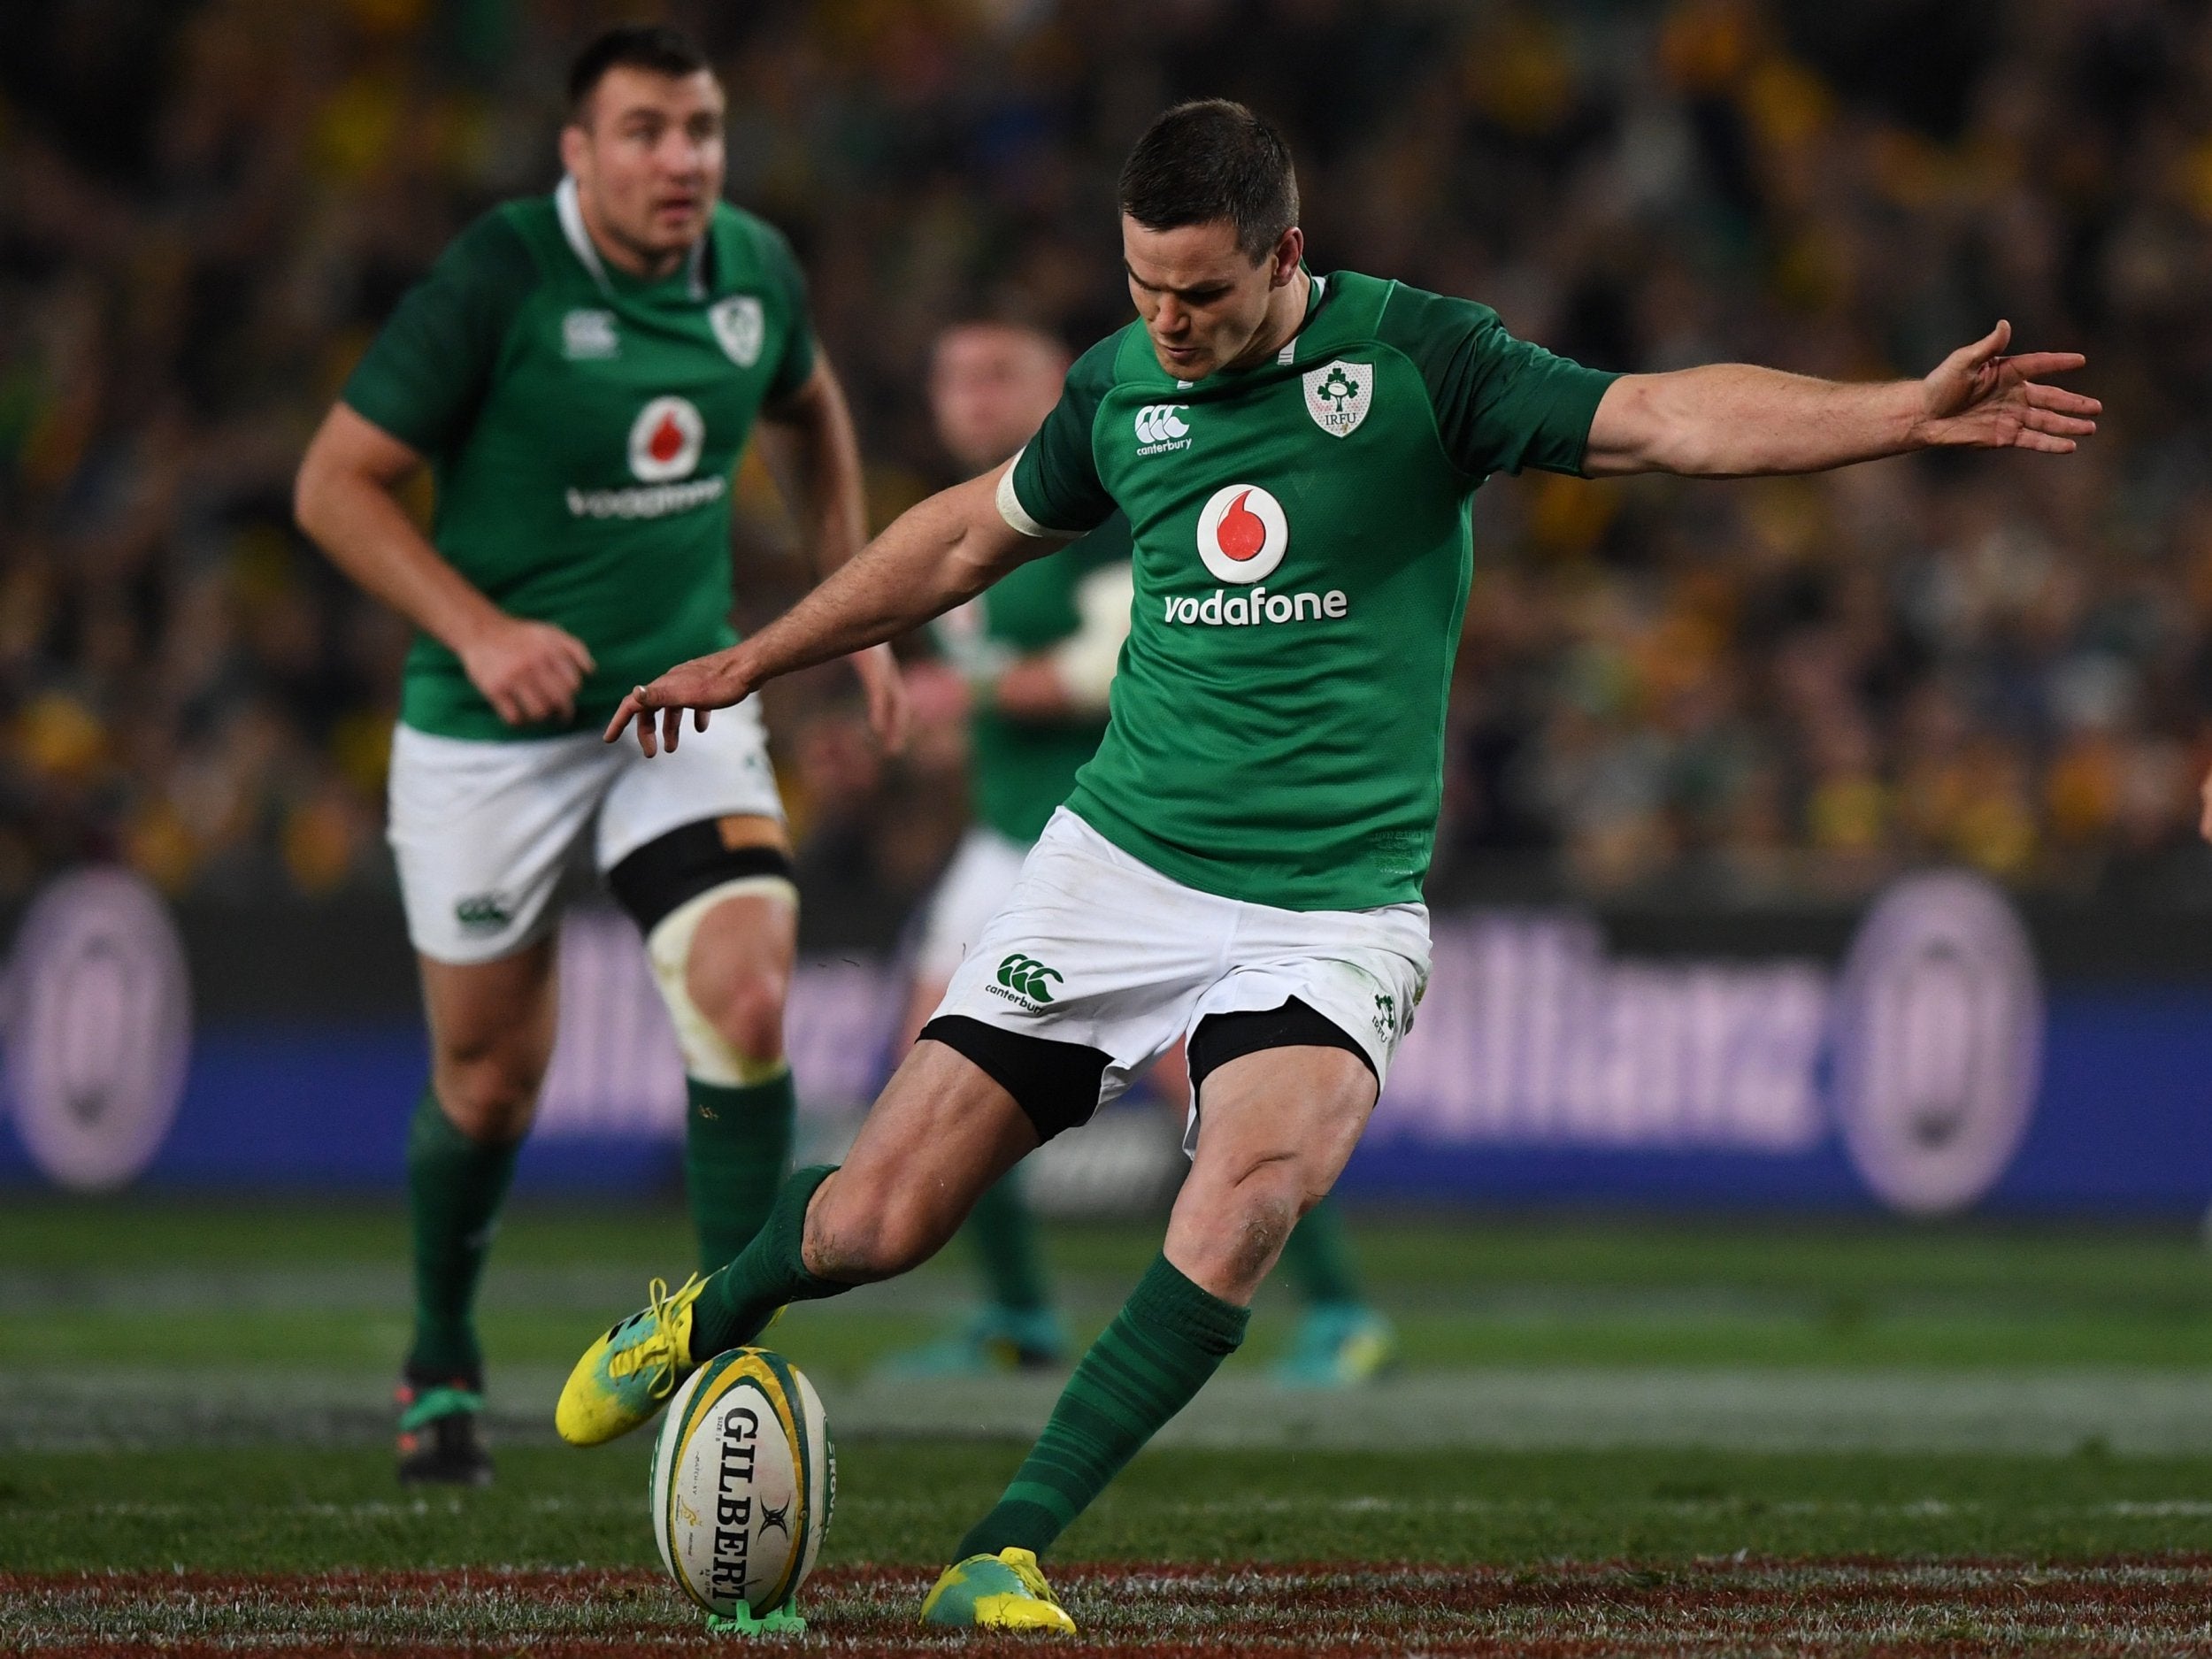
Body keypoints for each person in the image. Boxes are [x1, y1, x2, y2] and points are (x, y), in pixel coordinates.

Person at [557, 99, 2097, 1629]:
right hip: (1116, 872)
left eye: (1203, 294)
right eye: (1142, 286)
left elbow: (1664, 419)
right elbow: (964, 540)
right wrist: (756, 657)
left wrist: (1896, 409)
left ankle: (1003, 1549)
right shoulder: (1116, 392)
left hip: (1331, 905)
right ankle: (709, 1309)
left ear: (1286, 254)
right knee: (874, 1227)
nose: (1166, 322)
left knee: (1246, 1201)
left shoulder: (1427, 362)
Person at [292, 24, 903, 1487]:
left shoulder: (753, 269)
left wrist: (855, 608)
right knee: (492, 1083)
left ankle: (727, 1365)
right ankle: (440, 1351)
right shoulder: (497, 277)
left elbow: (811, 412)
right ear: (579, 154)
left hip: (674, 704)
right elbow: (333, 486)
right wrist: (482, 629)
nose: (681, 159)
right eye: (644, 131)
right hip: (488, 729)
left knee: (752, 993)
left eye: (700, 129)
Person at [890, 318, 1394, 1385]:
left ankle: (1343, 1312)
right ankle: (1021, 1315)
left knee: (1194, 1079)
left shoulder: (1114, 506)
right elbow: (999, 704)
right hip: (1008, 839)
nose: (972, 396)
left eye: (999, 372)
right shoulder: (982, 527)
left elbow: (1110, 668)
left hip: (1133, 843)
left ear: (1053, 384)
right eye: (953, 374)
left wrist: (969, 692)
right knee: (928, 1059)